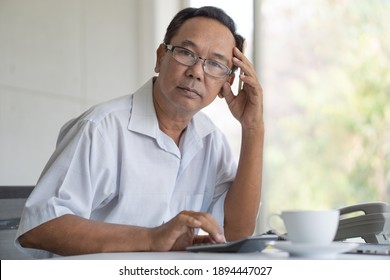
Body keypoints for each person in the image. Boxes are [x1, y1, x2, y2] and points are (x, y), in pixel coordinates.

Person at [15, 6, 264, 258]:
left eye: (214, 64)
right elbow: (38, 227)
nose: (196, 72)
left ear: (228, 81)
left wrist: (252, 127)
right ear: (160, 57)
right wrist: (153, 238)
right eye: (186, 53)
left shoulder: (212, 141)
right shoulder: (100, 128)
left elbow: (235, 232)